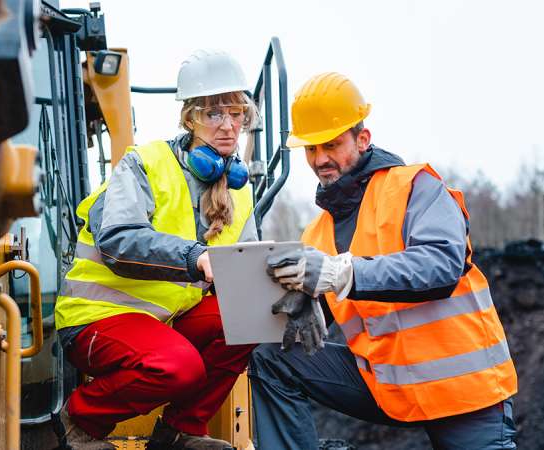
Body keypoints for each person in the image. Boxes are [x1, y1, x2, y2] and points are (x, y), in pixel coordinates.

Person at [248, 72, 518, 449]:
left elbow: (440, 266)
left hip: (463, 393)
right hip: (388, 386)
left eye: (332, 145)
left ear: (363, 139)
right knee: (271, 359)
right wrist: (304, 304)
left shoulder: (415, 188)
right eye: (310, 149)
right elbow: (326, 304)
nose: (320, 159)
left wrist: (338, 272)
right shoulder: (316, 235)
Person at [53, 49, 260, 450]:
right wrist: (193, 255)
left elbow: (245, 274)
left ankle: (180, 433)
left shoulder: (241, 193)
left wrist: (285, 292)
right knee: (178, 367)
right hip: (97, 317)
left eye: (237, 114)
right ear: (190, 118)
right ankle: (80, 421)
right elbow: (117, 240)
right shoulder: (144, 165)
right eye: (214, 113)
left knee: (245, 318)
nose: (228, 126)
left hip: (162, 324)